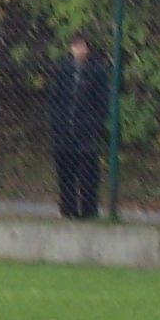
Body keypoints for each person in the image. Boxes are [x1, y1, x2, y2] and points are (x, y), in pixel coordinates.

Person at [48, 32, 109, 220]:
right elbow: (54, 98)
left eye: (83, 46)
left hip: (86, 130)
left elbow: (103, 102)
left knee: (88, 170)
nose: (80, 50)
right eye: (76, 46)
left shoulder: (97, 71)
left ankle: (89, 210)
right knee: (65, 169)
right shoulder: (63, 69)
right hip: (64, 129)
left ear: (88, 49)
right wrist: (57, 122)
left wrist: (95, 124)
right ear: (71, 48)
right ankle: (68, 209)